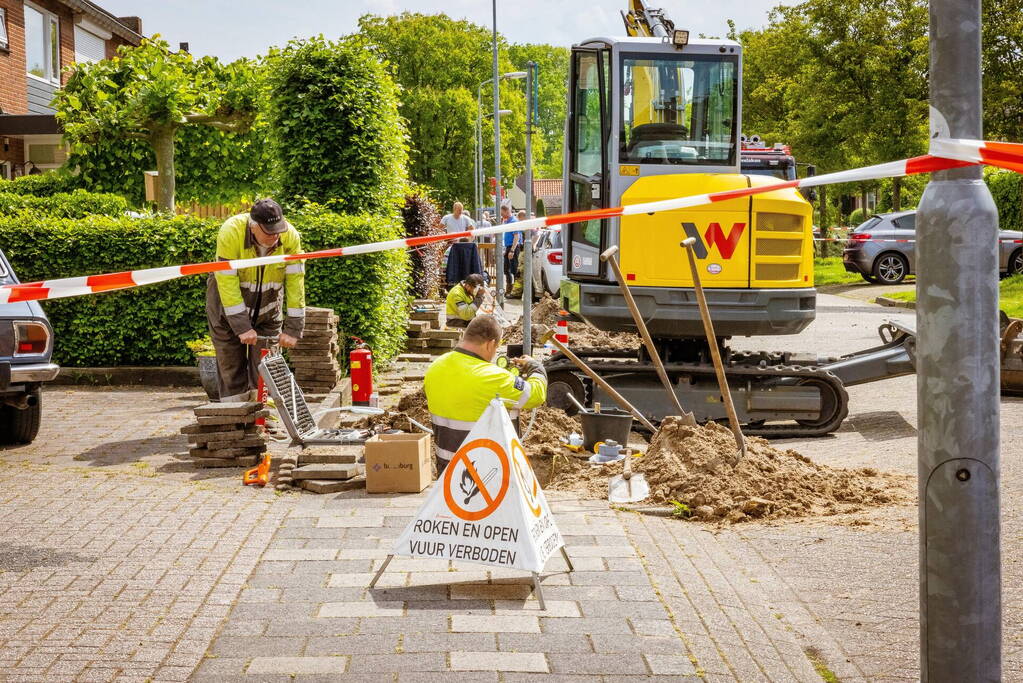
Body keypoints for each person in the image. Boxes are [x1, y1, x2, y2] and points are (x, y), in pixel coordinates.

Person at [206, 198, 305, 402]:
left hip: (268, 312)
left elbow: (296, 282)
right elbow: (226, 283)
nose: (275, 235)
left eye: (278, 229)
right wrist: (241, 326)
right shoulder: (230, 232)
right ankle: (235, 422)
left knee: (266, 371)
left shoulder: (290, 236)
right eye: (269, 231)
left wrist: (293, 328)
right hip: (226, 312)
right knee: (231, 369)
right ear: (253, 226)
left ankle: (263, 422)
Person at [423, 315, 547, 472]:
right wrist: (535, 367)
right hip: (484, 469)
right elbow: (536, 395)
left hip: (447, 469)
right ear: (491, 344)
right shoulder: (493, 377)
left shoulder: (436, 367)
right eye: (496, 349)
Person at [501, 204, 521, 291]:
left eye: (502, 213)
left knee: (514, 270)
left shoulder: (513, 222)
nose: (501, 215)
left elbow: (516, 237)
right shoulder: (507, 221)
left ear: (507, 211)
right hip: (508, 247)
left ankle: (515, 290)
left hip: (513, 248)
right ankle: (510, 287)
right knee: (506, 269)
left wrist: (512, 251)